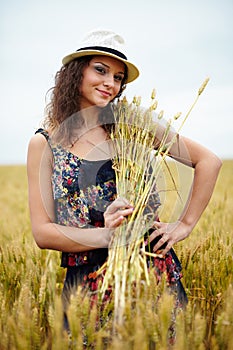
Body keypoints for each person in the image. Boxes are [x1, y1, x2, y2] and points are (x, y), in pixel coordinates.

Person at [27, 29, 222, 343]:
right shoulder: (45, 143)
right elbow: (43, 232)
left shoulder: (131, 123)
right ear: (75, 72)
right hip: (87, 288)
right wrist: (109, 235)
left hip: (152, 275)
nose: (110, 83)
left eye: (118, 77)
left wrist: (184, 224)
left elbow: (208, 161)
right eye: (100, 70)